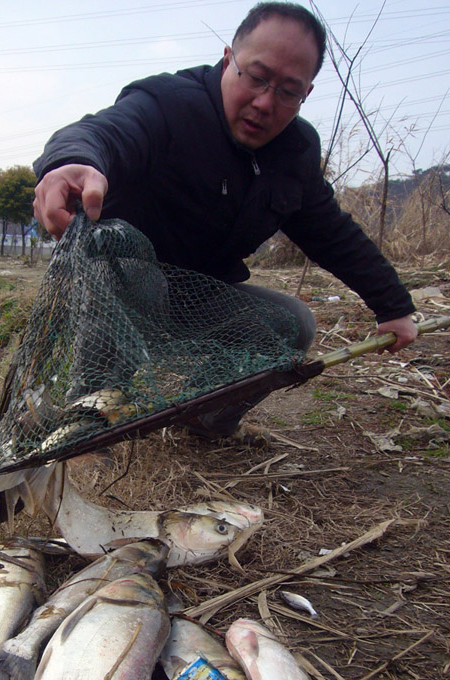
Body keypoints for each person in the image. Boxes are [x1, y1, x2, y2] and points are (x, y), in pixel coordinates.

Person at [32, 1, 418, 440]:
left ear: (306, 94)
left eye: (288, 91)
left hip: (201, 296)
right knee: (139, 280)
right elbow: (105, 131)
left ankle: (204, 419)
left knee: (293, 323)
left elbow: (333, 234)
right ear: (227, 59)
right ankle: (86, 421)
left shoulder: (296, 153)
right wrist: (71, 162)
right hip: (117, 286)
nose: (264, 102)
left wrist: (394, 307)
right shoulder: (168, 105)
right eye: (256, 77)